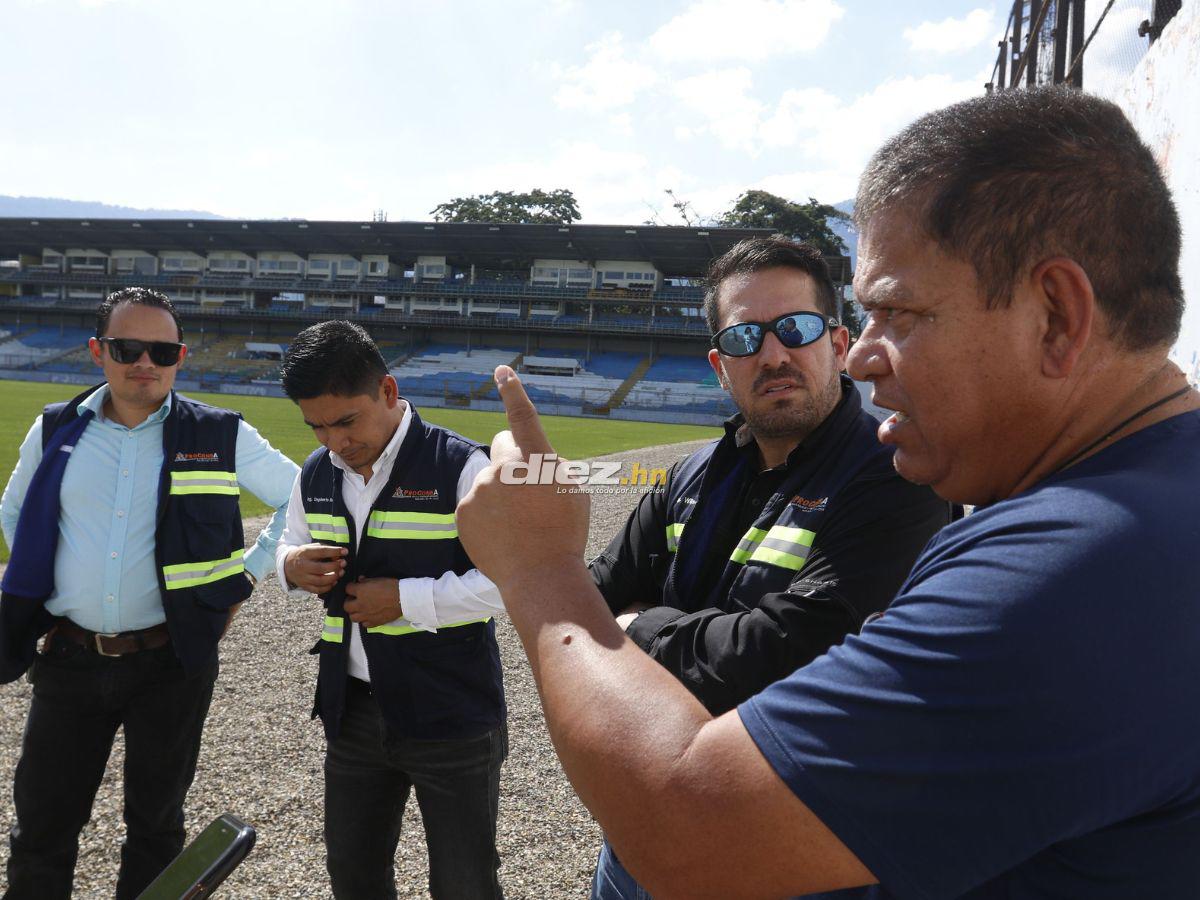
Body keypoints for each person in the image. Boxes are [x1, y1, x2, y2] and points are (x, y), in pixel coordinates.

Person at [456, 85, 1200, 898]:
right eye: (746, 339)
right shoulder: (1142, 502)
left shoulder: (1078, 568)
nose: (861, 359)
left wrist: (538, 571)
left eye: (896, 313)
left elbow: (693, 832)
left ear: (1057, 315)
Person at [588, 237, 953, 897]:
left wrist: (641, 628)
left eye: (796, 328)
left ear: (838, 345)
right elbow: (587, 606)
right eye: (745, 338)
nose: (773, 354)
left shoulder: (900, 476)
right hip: (646, 831)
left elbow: (792, 654)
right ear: (718, 366)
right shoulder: (690, 477)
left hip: (800, 851)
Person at [0, 287, 298, 900]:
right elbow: (15, 515)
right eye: (127, 346)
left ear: (180, 358)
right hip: (70, 656)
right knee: (42, 827)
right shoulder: (55, 427)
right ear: (97, 351)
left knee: (156, 828)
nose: (145, 361)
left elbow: (303, 495)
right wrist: (54, 583)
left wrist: (246, 575)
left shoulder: (220, 433)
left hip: (172, 663)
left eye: (161, 350)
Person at [275, 321, 506, 900]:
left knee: (464, 884)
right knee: (352, 875)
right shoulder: (315, 471)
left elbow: (509, 583)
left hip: (451, 712)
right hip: (350, 710)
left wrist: (404, 600)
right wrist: (289, 565)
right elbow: (290, 539)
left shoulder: (461, 467)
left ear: (388, 391)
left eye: (345, 421)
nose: (334, 441)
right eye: (317, 426)